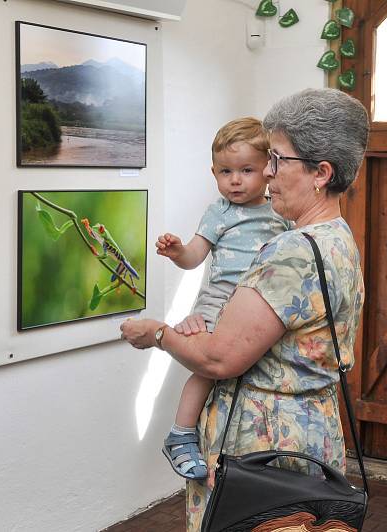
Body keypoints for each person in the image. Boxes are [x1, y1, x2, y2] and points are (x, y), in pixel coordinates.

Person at [120, 87, 369, 531]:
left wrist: (158, 334)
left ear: (321, 173)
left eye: (277, 160)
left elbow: (220, 357)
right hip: (312, 432)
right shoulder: (338, 238)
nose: (267, 174)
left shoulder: (293, 251)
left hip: (264, 444)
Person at [156, 117, 289, 481]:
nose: (235, 180)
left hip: (261, 300)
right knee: (208, 366)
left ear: (268, 170)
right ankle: (180, 435)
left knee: (253, 363)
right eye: (225, 171)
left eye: (246, 170)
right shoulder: (220, 212)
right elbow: (195, 257)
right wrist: (179, 250)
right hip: (219, 299)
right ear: (213, 172)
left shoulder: (281, 212)